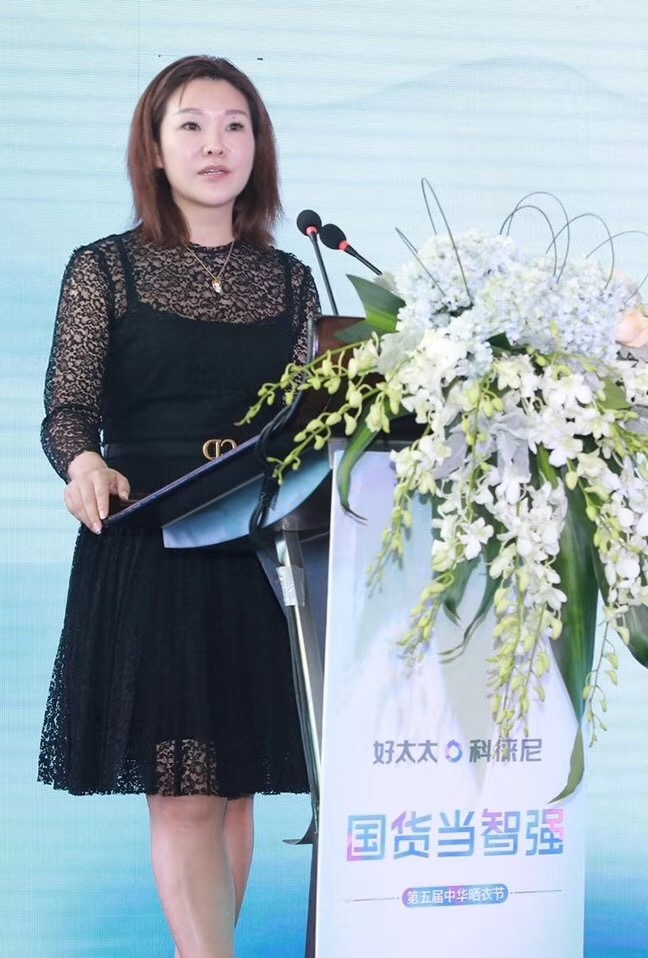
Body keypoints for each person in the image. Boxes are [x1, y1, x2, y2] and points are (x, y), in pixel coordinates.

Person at [39, 55, 318, 958]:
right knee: (187, 790)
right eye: (191, 125)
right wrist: (83, 461)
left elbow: (311, 419)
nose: (215, 144)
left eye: (236, 125)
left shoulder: (291, 281)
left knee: (234, 790)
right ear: (155, 150)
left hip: (258, 551)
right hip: (155, 545)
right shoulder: (106, 270)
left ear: (257, 147)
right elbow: (67, 409)